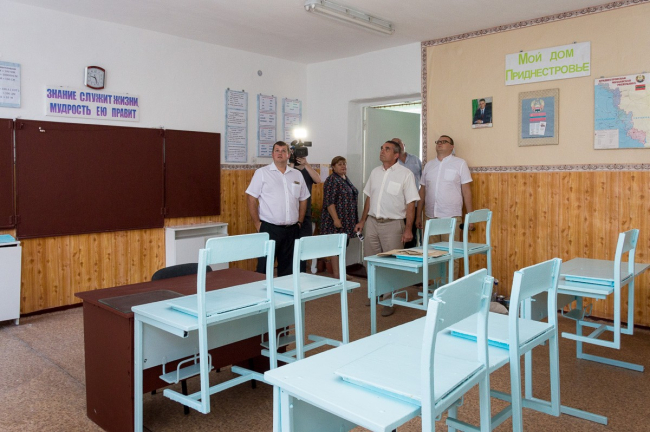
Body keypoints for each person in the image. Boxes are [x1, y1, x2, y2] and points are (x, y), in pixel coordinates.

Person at [355, 140, 419, 317]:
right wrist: (362, 220)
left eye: (387, 149)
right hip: (372, 222)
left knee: (391, 264)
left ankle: (389, 300)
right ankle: (375, 293)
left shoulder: (406, 174)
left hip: (393, 224)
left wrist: (408, 229)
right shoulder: (375, 172)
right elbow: (369, 198)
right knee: (370, 261)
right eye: (382, 148)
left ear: (396, 155)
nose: (382, 151)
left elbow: (411, 204)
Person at [246, 141, 310, 277]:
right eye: (277, 150)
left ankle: (285, 291)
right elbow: (251, 198)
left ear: (289, 155)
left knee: (288, 270)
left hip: (292, 230)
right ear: (272, 154)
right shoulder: (262, 173)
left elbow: (304, 198)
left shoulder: (297, 174)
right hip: (269, 228)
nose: (280, 153)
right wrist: (257, 224)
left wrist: (300, 221)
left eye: (283, 151)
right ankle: (263, 291)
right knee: (264, 267)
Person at [416, 135, 473, 278]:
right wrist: (418, 216)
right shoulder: (429, 165)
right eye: (438, 142)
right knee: (431, 254)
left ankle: (450, 287)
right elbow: (422, 191)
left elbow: (466, 191)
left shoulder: (460, 163)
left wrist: (470, 217)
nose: (440, 144)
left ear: (452, 147)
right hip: (430, 217)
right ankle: (433, 287)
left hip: (451, 217)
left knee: (451, 254)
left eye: (444, 142)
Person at [320, 156, 359, 279]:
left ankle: (341, 272)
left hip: (347, 220)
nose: (343, 166)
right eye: (340, 164)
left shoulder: (345, 179)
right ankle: (337, 274)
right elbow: (329, 202)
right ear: (333, 167)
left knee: (343, 246)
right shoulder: (332, 180)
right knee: (336, 247)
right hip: (336, 220)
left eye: (344, 164)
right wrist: (336, 219)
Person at [290, 149, 322, 272]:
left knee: (303, 247)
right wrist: (291, 162)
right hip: (291, 215)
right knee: (290, 247)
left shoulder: (307, 170)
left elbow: (318, 180)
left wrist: (306, 164)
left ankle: (302, 273)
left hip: (306, 215)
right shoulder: (289, 170)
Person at [394, 137, 422, 248]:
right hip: (399, 206)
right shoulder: (393, 163)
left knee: (412, 236)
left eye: (399, 143)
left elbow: (423, 181)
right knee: (399, 237)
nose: (398, 145)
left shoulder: (415, 160)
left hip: (414, 204)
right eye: (395, 144)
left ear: (404, 145)